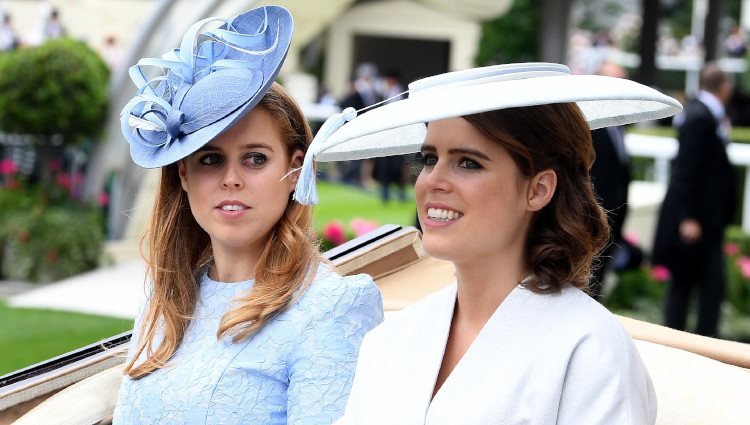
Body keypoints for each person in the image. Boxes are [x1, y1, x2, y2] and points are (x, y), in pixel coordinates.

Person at [293, 63, 683, 424]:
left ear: (538, 188)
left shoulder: (589, 349)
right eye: (430, 158)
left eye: (468, 162)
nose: (432, 181)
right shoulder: (391, 338)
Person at [112, 6, 383, 424]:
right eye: (210, 160)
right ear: (183, 174)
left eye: (255, 159)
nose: (231, 179)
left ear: (296, 170)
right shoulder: (165, 298)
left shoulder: (331, 306)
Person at [652, 63, 736, 337]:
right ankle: (680, 345)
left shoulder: (704, 114)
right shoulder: (700, 116)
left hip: (706, 221)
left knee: (708, 287)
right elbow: (686, 169)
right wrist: (687, 217)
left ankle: (701, 344)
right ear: (724, 88)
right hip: (696, 222)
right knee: (686, 286)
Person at [589, 62, 633, 300]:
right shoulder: (589, 127)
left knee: (598, 289)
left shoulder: (618, 126)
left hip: (612, 224)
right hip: (592, 225)